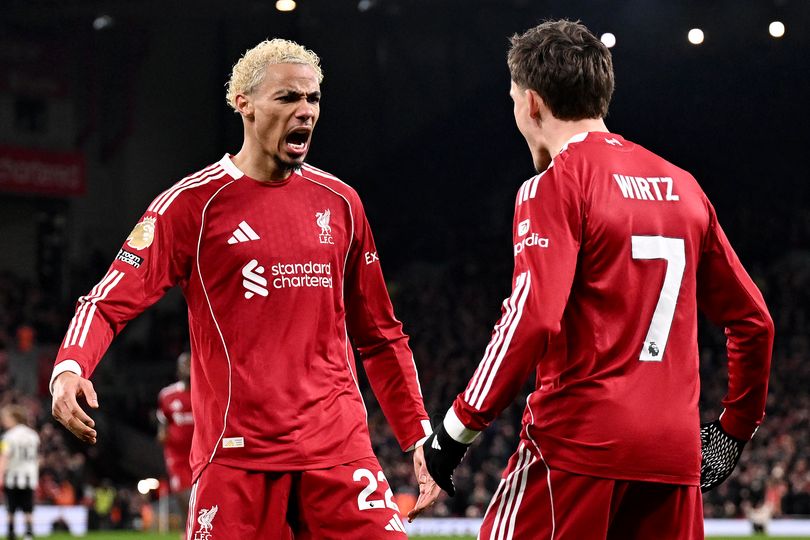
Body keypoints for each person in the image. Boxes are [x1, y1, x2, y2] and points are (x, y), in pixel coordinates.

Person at [50, 38, 439, 538]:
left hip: (338, 451)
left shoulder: (341, 203)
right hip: (237, 458)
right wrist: (70, 367)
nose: (306, 110)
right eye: (288, 97)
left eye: (313, 98)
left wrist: (418, 434)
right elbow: (107, 302)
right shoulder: (190, 206)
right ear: (245, 105)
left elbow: (380, 334)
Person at [420, 19, 774, 539]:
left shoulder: (556, 183)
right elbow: (754, 322)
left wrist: (455, 431)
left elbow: (531, 318)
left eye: (513, 99)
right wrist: (734, 427)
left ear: (532, 103)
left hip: (578, 447)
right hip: (673, 455)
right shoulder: (684, 187)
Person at [156, 352, 194, 531]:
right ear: (178, 370)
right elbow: (163, 423)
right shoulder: (168, 395)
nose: (188, 368)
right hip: (177, 457)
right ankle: (189, 531)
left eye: (191, 364)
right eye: (184, 365)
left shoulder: (206, 392)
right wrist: (162, 435)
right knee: (185, 495)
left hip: (202, 454)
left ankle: (191, 532)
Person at [0, 405, 40, 540]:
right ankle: (28, 533)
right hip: (30, 476)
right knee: (28, 507)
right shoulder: (33, 435)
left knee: (11, 507)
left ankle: (11, 533)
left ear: (13, 418)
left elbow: (4, 457)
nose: (3, 421)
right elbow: (36, 457)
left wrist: (0, 475)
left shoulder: (7, 437)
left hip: (13, 476)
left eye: (5, 418)